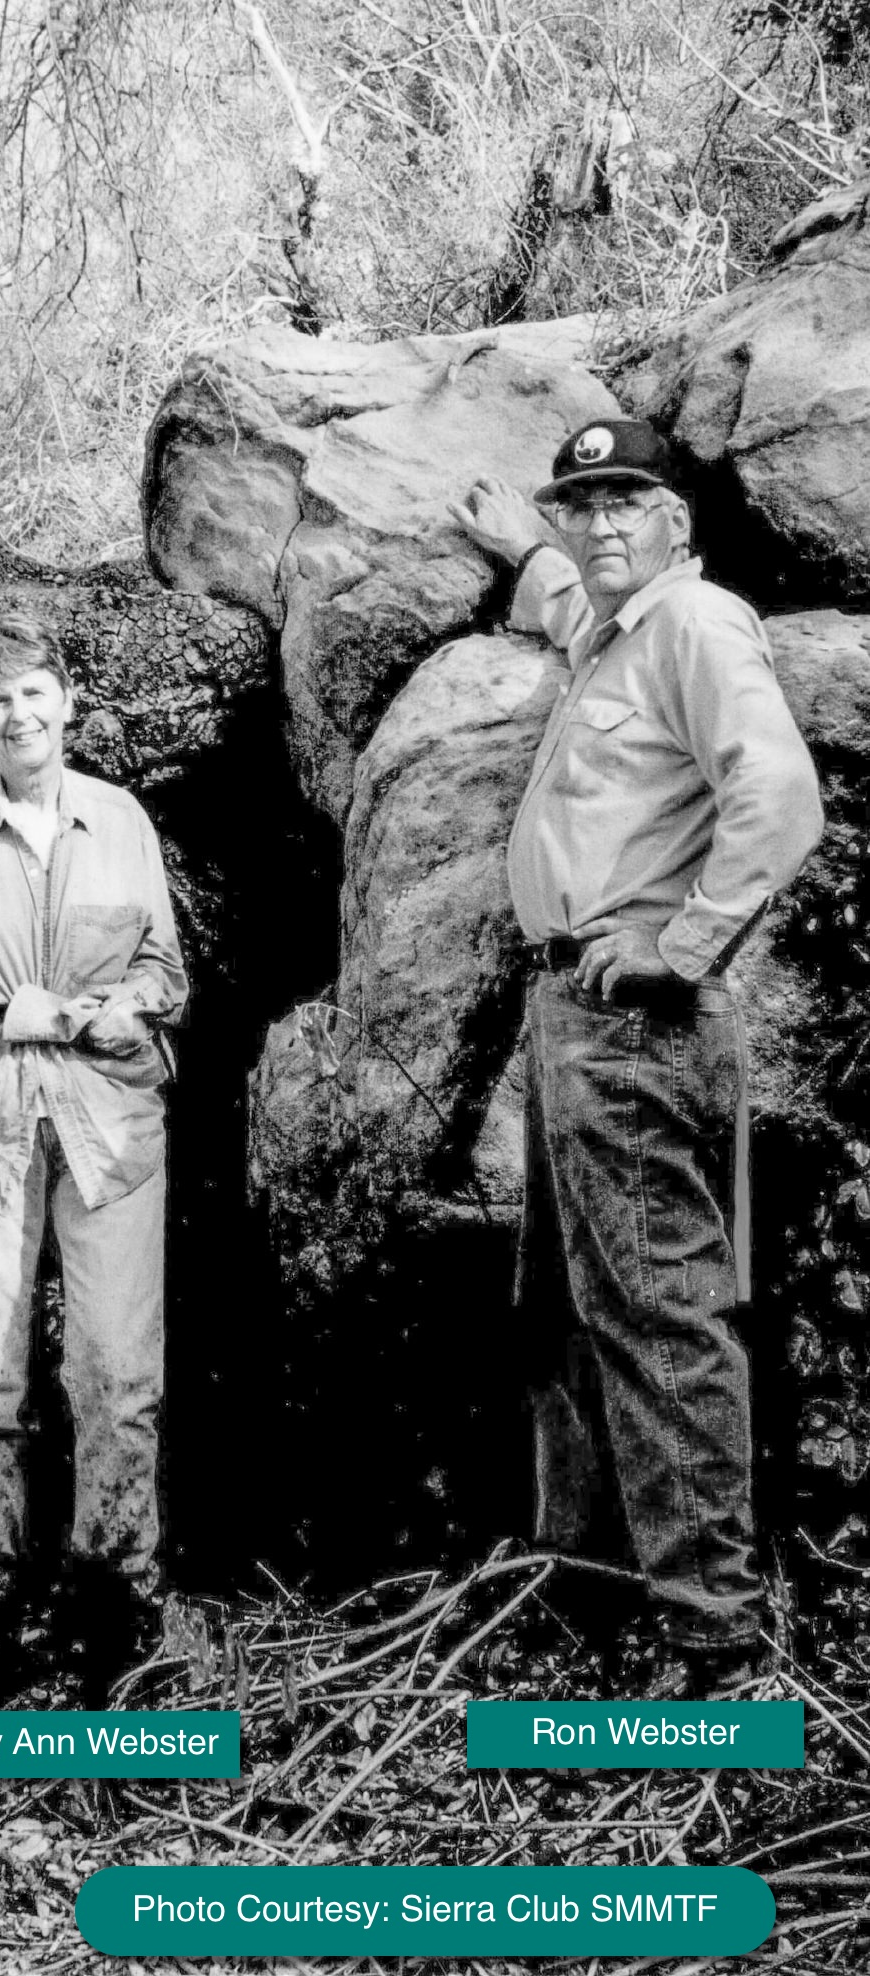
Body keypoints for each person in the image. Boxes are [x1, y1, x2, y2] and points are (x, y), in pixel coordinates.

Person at [450, 418, 824, 1695]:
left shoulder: (700, 622)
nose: (603, 524)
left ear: (678, 519)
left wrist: (692, 940)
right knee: (576, 1312)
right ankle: (600, 1592)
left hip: (639, 1016)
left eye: (629, 502)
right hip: (579, 1019)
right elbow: (577, 612)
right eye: (581, 504)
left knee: (663, 1314)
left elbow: (780, 796)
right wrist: (525, 551)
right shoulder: (620, 624)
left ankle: (711, 1631)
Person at [0, 611, 188, 1702]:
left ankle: (122, 1592)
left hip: (112, 1121)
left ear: (70, 701)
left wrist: (121, 1006)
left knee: (117, 1365)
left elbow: (168, 966)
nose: (20, 712)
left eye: (36, 690)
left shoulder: (120, 820)